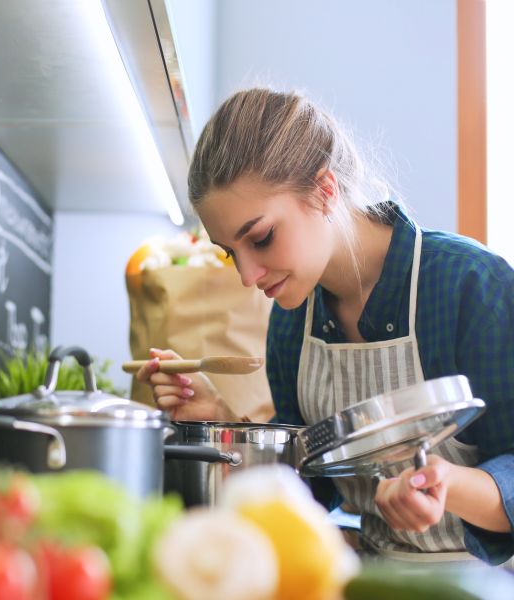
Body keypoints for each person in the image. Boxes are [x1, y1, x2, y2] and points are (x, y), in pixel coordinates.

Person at [136, 88, 514, 565]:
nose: (247, 276)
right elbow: (308, 488)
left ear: (324, 190)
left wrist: (444, 484)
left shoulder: (471, 286)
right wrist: (222, 420)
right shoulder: (294, 322)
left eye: (261, 238)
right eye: (231, 252)